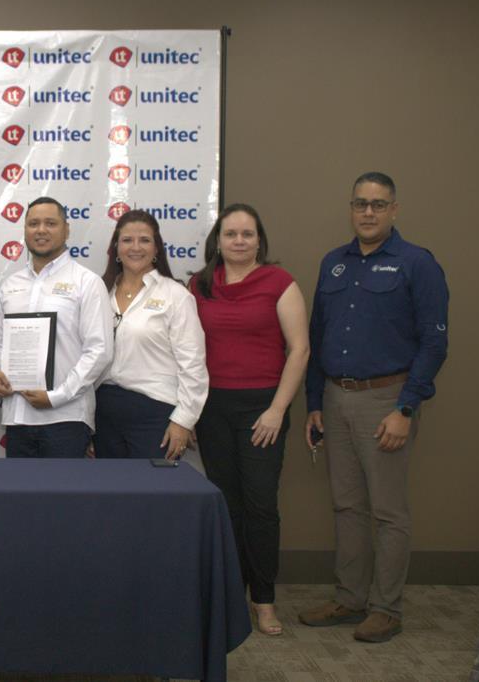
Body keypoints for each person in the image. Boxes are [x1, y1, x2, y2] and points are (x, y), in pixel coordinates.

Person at [299, 172, 448, 643]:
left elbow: (434, 344)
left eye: (378, 204)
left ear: (394, 210)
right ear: (351, 208)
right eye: (360, 203)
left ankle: (386, 609)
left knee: (387, 511)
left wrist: (406, 407)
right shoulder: (333, 264)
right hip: (335, 398)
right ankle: (350, 599)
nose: (368, 212)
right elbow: (318, 336)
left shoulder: (417, 263)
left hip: (387, 400)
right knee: (347, 506)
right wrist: (314, 402)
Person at [189, 203, 309, 636]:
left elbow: (300, 350)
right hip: (213, 409)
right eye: (231, 234)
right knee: (227, 505)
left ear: (259, 240)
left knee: (260, 506)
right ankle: (231, 595)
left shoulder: (279, 282)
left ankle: (264, 600)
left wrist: (277, 410)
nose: (239, 241)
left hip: (263, 409)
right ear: (217, 241)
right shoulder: (199, 285)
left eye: (247, 234)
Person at [0, 197, 113, 458]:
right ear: (25, 230)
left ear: (66, 229)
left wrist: (57, 396)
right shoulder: (11, 285)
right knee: (19, 487)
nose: (41, 230)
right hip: (17, 417)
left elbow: (100, 352)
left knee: (64, 487)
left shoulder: (86, 282)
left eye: (50, 223)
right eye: (33, 224)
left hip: (66, 418)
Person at [94, 210, 207, 460]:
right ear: (116, 248)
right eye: (127, 240)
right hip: (103, 411)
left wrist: (184, 420)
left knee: (152, 486)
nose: (136, 247)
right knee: (107, 485)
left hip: (155, 413)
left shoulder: (176, 296)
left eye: (144, 240)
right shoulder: (100, 292)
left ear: (156, 248)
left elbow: (193, 364)